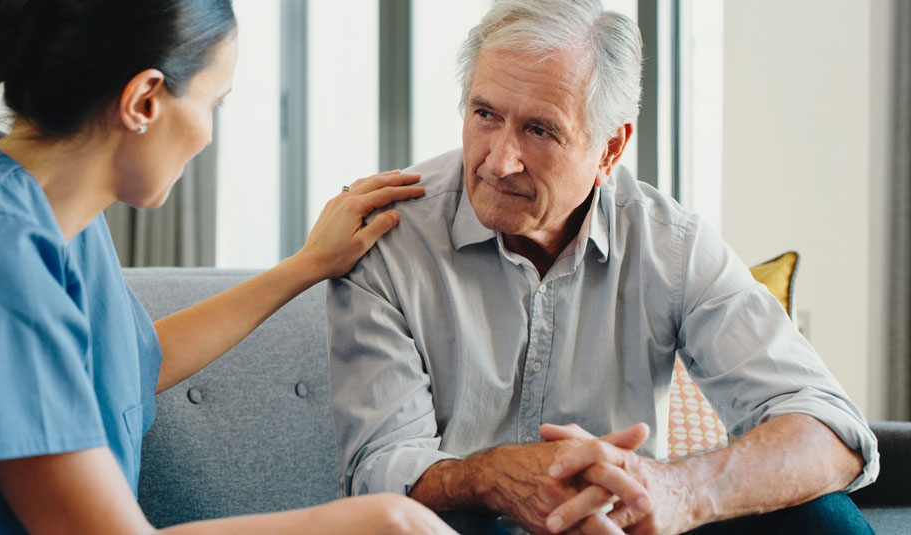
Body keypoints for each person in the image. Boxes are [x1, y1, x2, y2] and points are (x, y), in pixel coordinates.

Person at [0, 1, 459, 534]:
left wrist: (308, 266)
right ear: (144, 101)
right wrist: (382, 520)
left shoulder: (49, 215)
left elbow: (129, 365)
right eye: (213, 104)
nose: (209, 135)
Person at [327, 1, 879, 534]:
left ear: (610, 150)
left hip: (624, 524)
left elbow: (832, 432)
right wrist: (490, 477)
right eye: (485, 114)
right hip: (463, 526)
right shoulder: (387, 238)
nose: (498, 161)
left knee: (820, 517)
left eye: (539, 130)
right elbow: (379, 470)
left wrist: (679, 491)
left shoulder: (671, 244)